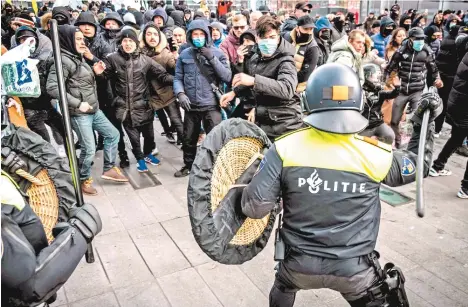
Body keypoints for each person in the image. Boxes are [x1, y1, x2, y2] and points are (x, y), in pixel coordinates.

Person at [234, 63, 441, 307]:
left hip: (297, 265)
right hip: (354, 272)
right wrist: (420, 122)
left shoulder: (283, 149)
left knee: (283, 285)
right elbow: (420, 165)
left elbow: (254, 208)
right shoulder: (375, 155)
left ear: (306, 102)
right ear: (359, 102)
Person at [47, 25, 128, 195]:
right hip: (79, 113)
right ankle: (84, 179)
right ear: (67, 41)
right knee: (89, 148)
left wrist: (94, 70)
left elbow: (78, 81)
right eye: (77, 39)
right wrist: (77, 104)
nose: (82, 42)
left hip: (93, 108)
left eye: (82, 39)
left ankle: (109, 168)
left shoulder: (77, 57)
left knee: (113, 134)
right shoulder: (63, 60)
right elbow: (53, 87)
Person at [99, 28, 174, 172]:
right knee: (134, 138)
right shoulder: (112, 58)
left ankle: (147, 155)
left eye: (130, 41)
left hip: (144, 105)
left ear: (136, 43)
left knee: (149, 136)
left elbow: (162, 75)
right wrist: (98, 73)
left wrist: (178, 81)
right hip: (125, 108)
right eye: (124, 41)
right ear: (121, 42)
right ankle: (140, 159)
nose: (127, 44)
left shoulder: (145, 60)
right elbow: (103, 76)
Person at [220, 16, 303, 141]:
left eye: (272, 37)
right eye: (264, 38)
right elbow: (252, 82)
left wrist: (254, 81)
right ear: (257, 38)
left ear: (278, 37)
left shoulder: (286, 60)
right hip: (265, 120)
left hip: (284, 124)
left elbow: (287, 89)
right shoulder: (256, 57)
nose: (268, 41)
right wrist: (234, 92)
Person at [173, 19, 232, 177]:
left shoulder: (218, 53)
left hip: (211, 105)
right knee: (188, 138)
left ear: (207, 35)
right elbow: (178, 77)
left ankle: (216, 167)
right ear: (190, 36)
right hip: (191, 106)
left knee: (215, 139)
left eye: (201, 34)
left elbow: (227, 76)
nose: (198, 37)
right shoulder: (184, 55)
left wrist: (211, 58)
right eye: (195, 34)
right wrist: (180, 93)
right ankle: (188, 165)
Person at [385, 27, 443, 148]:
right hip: (402, 90)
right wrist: (389, 81)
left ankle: (414, 146)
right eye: (417, 39)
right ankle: (398, 143)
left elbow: (434, 69)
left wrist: (437, 79)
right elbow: (389, 68)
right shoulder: (401, 51)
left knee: (418, 121)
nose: (420, 41)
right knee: (394, 121)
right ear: (410, 39)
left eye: (422, 39)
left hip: (417, 90)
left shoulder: (426, 51)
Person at [429, 52, 468, 198]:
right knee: (457, 138)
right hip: (464, 105)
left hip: (458, 103)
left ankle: (437, 166)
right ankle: (466, 188)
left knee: (456, 138)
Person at [141, 22, 184, 145]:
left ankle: (184, 144)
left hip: (167, 94)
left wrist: (177, 57)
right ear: (144, 36)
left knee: (176, 120)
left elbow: (177, 71)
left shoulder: (165, 53)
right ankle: (164, 135)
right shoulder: (139, 54)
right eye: (149, 34)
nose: (152, 37)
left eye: (155, 34)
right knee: (158, 119)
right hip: (150, 95)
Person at [434, 14, 462, 136]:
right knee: (450, 104)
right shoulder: (457, 44)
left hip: (446, 78)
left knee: (443, 103)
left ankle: (437, 128)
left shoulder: (445, 40)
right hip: (452, 79)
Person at [360, 63, 399, 144]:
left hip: (377, 124)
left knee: (389, 136)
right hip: (363, 126)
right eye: (375, 76)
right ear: (367, 76)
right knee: (360, 143)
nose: (378, 79)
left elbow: (391, 94)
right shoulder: (359, 91)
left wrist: (397, 88)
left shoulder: (379, 92)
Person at [284, 15, 319, 93]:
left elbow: (306, 74)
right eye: (305, 29)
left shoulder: (313, 48)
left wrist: (286, 79)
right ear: (297, 28)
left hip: (299, 90)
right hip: (282, 85)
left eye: (311, 29)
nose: (309, 32)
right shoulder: (286, 37)